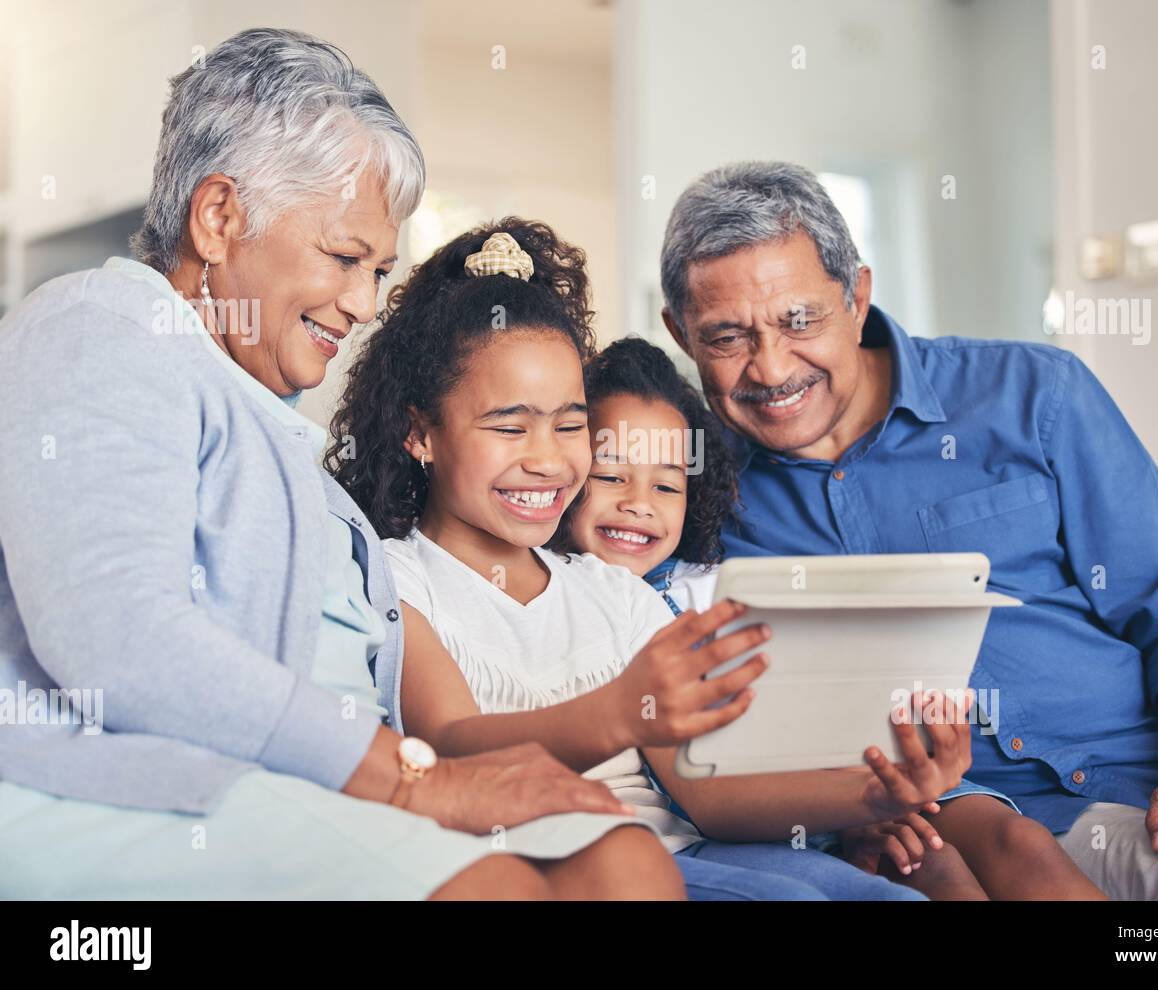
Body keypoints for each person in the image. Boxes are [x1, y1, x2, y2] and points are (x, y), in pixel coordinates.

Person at [0, 28, 678, 902]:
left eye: (381, 268)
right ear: (219, 217)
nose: (363, 304)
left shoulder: (268, 420)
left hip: (316, 784)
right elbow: (118, 642)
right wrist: (415, 781)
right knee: (498, 892)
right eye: (345, 258)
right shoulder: (99, 329)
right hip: (143, 785)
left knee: (624, 862)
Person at [656, 160, 1158, 900]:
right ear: (681, 334)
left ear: (856, 296)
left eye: (798, 320)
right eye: (727, 338)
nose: (771, 368)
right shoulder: (686, 492)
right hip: (1038, 824)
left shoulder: (1034, 394)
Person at [328, 219, 967, 900]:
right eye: (510, 425)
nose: (547, 458)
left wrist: (872, 790)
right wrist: (618, 713)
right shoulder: (399, 579)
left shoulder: (615, 594)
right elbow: (453, 744)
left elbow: (710, 794)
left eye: (571, 424)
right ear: (419, 432)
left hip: (687, 849)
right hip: (547, 864)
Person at [554, 335, 1101, 899]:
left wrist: (860, 800)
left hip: (844, 781)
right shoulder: (569, 596)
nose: (639, 502)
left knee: (1014, 843)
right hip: (765, 819)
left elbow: (808, 711)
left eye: (667, 485)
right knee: (932, 870)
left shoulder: (716, 589)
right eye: (611, 476)